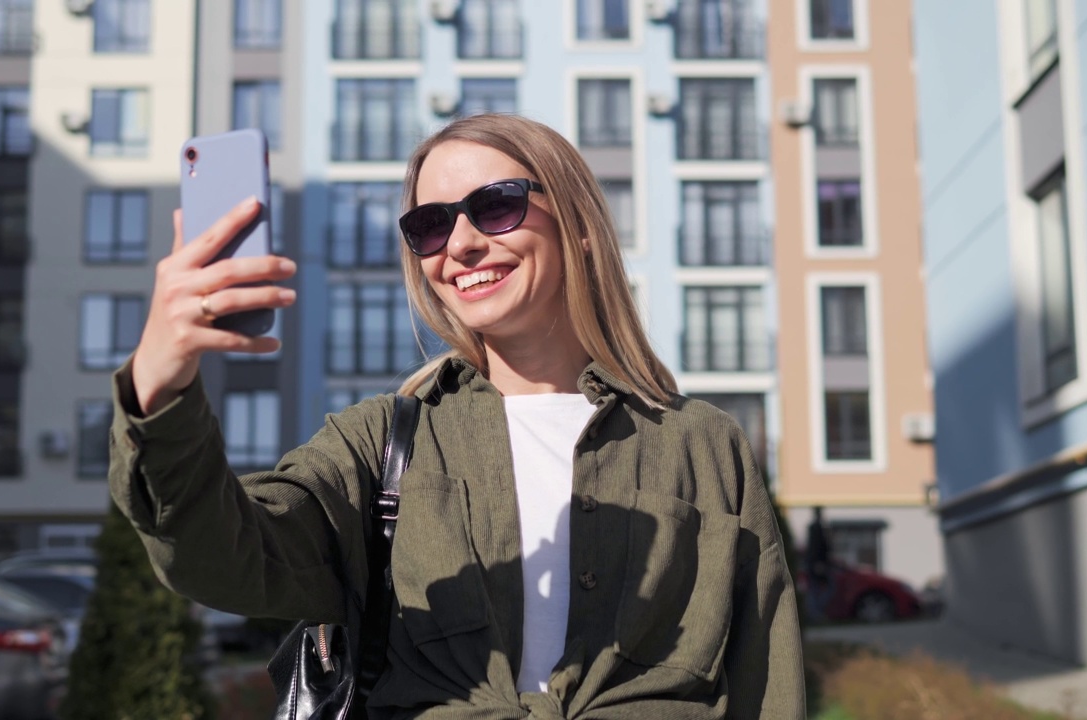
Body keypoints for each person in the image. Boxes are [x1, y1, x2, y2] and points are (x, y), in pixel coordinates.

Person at [108, 114, 804, 718]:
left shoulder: (703, 447)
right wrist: (160, 388)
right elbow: (221, 561)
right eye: (431, 225)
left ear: (579, 225)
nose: (462, 244)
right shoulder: (380, 443)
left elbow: (766, 684)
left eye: (496, 206)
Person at [804, 507, 834, 622]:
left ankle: (815, 613)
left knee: (815, 589)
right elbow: (815, 547)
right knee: (818, 589)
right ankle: (814, 613)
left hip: (817, 563)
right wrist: (818, 563)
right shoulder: (816, 528)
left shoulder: (818, 527)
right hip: (817, 564)